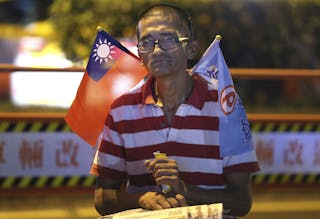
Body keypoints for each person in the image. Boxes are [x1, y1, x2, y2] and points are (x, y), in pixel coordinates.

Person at [90, 3, 260, 218]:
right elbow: (102, 198)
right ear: (140, 55)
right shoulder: (122, 110)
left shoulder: (225, 108)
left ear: (191, 49)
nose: (157, 49)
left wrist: (184, 189)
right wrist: (141, 199)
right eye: (147, 42)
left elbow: (241, 202)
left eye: (168, 39)